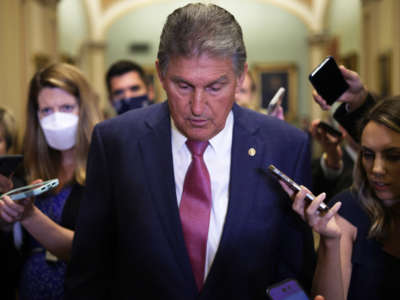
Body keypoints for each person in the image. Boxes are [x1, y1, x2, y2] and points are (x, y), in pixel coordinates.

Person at [65, 3, 316, 300]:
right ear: (160, 74)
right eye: (183, 86)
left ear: (241, 76)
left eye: (215, 87)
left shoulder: (285, 146)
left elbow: (292, 275)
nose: (197, 107)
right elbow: (90, 273)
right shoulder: (116, 143)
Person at [0, 62, 103, 300]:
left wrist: (28, 216)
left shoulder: (106, 168)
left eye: (66, 107)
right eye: (46, 110)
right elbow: (15, 251)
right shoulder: (26, 169)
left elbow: (91, 250)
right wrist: (7, 221)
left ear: (84, 109)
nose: (56, 118)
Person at [283, 96, 400, 300]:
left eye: (393, 156)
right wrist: (330, 239)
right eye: (368, 155)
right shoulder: (347, 208)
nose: (377, 169)